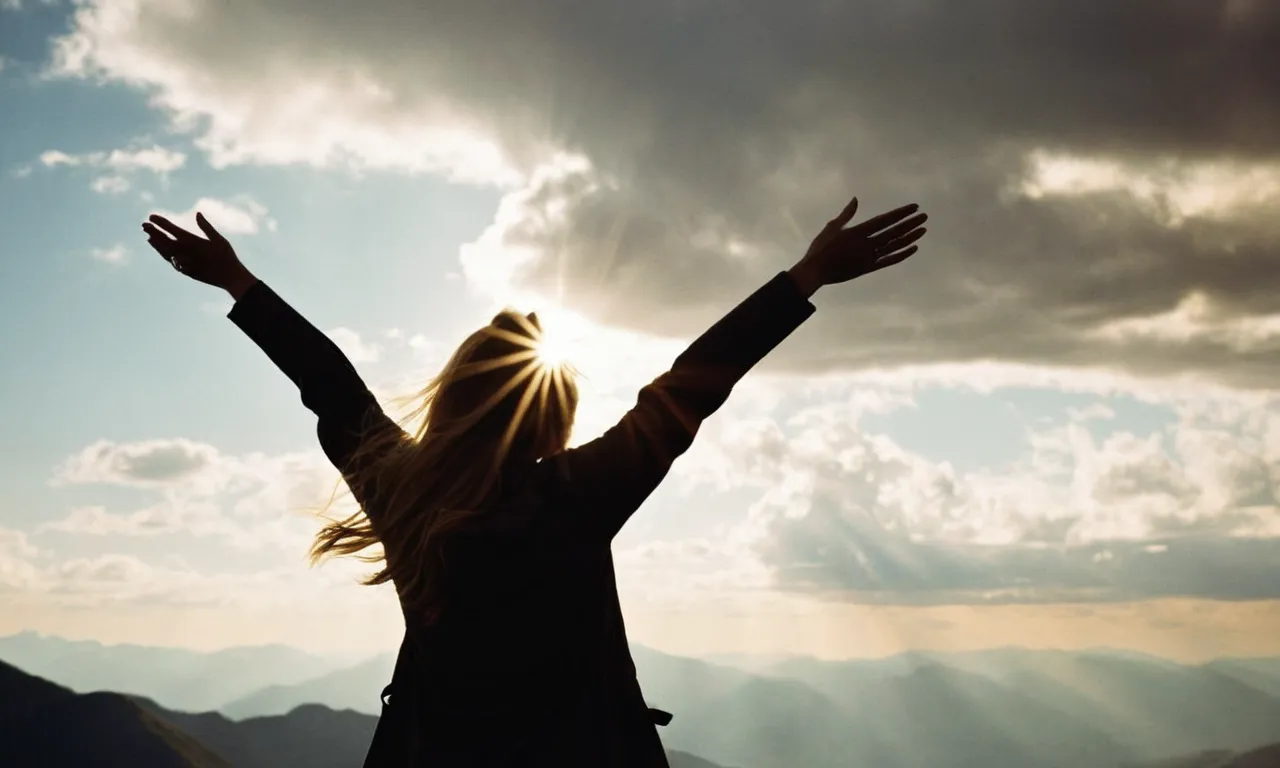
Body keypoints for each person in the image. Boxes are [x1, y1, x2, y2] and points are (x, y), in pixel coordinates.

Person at [141, 195, 927, 767]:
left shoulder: (402, 490)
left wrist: (240, 284)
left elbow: (331, 384)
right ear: (555, 422)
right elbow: (691, 383)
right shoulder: (576, 496)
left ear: (452, 395)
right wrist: (806, 276)